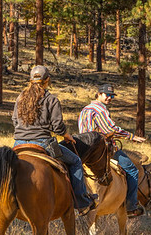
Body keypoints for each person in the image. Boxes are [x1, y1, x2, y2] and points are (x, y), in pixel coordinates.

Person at [12, 65, 97, 215]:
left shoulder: (20, 98)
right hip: (42, 143)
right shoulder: (51, 99)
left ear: (30, 80)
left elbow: (14, 120)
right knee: (76, 161)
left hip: (18, 143)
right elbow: (57, 126)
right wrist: (66, 135)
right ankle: (82, 201)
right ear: (47, 80)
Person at [78, 83, 146, 218]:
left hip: (84, 149)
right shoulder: (100, 110)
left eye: (111, 96)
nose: (109, 98)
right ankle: (131, 206)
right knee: (133, 170)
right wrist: (131, 137)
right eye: (107, 95)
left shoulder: (85, 109)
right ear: (99, 94)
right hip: (101, 149)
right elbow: (111, 129)